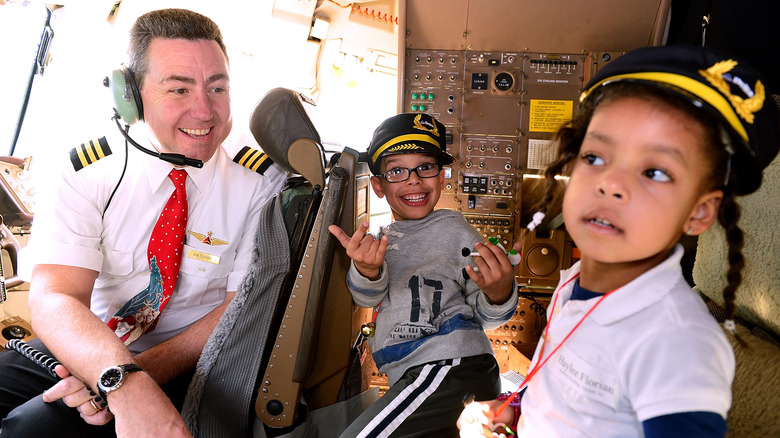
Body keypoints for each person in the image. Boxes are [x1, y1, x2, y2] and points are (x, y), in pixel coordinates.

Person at [458, 44, 780, 437]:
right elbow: (566, 394)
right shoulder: (573, 281)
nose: (611, 183)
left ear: (699, 212)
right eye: (595, 157)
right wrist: (511, 411)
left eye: (656, 172)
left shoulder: (678, 345)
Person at [0, 8, 287, 437]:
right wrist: (114, 373)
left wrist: (126, 380)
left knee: (32, 429)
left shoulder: (260, 184)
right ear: (129, 95)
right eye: (179, 89)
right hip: (93, 343)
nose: (204, 111)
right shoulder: (86, 171)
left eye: (218, 88)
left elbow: (237, 308)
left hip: (194, 358)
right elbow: (56, 294)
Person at [328, 112, 521, 437]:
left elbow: (486, 316)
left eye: (425, 167)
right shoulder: (382, 239)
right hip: (417, 371)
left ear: (442, 177)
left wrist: (499, 290)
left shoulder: (454, 230)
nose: (413, 179)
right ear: (377, 185)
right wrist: (367, 270)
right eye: (397, 171)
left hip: (449, 364)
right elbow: (367, 296)